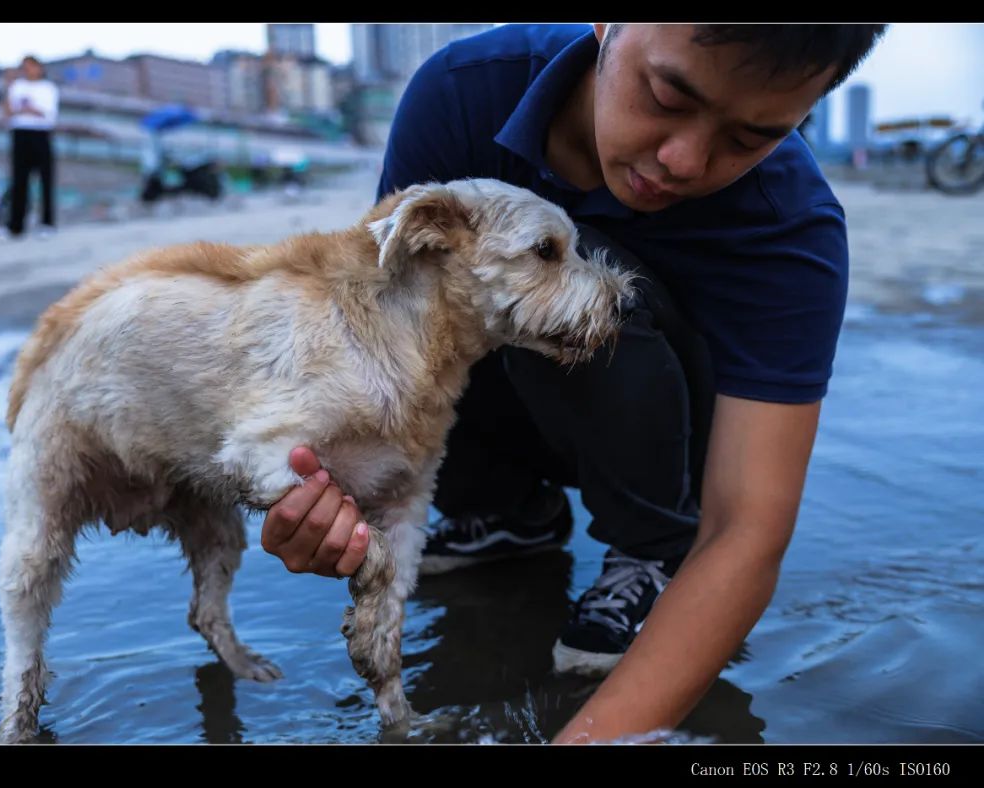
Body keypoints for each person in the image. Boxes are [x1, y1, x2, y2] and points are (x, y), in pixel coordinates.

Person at [258, 23, 887, 743]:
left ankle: (651, 549)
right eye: (667, 94)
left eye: (749, 139)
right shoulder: (463, 96)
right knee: (477, 285)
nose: (683, 159)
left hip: (674, 436)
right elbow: (386, 332)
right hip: (513, 403)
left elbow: (744, 532)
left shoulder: (791, 228)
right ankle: (502, 511)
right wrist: (334, 494)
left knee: (587, 280)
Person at [0, 55, 59, 241]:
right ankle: (15, 226)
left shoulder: (48, 88)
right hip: (20, 135)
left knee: (46, 181)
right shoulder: (16, 87)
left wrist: (25, 110)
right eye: (24, 67)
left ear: (39, 68)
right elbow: (8, 113)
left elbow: (45, 114)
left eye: (31, 66)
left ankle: (47, 223)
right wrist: (7, 86)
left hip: (41, 135)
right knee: (18, 181)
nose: (28, 70)